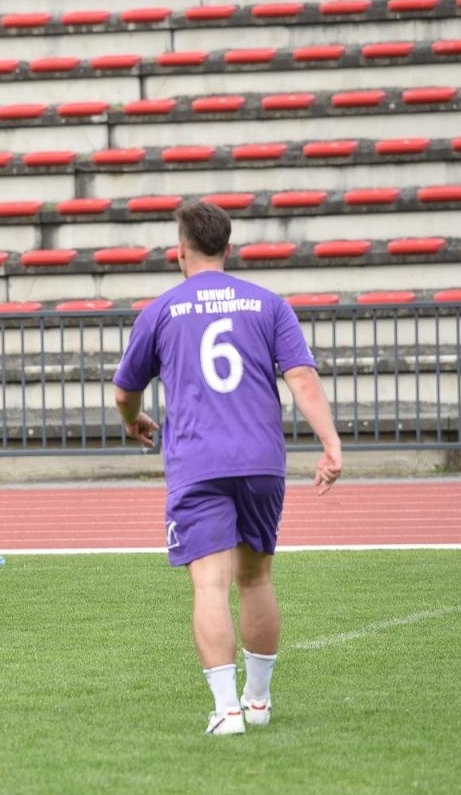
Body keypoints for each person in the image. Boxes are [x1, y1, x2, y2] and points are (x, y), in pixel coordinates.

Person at [112, 200, 342, 736]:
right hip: (262, 460)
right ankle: (258, 702)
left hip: (198, 460)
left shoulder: (163, 310)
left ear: (180, 253)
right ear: (229, 249)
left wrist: (132, 420)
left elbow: (126, 390)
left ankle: (227, 711)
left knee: (210, 585)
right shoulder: (268, 305)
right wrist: (330, 443)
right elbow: (302, 379)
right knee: (256, 578)